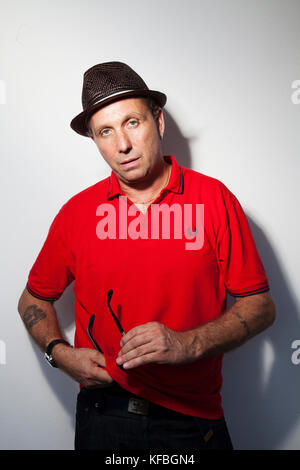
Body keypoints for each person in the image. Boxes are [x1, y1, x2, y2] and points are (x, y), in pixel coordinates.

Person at [18, 61, 276, 451]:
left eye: (132, 123)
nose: (122, 144)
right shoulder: (77, 213)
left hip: (192, 420)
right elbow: (32, 298)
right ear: (95, 140)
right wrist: (60, 354)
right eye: (105, 131)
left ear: (158, 121)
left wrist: (189, 344)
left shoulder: (214, 199)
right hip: (104, 415)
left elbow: (261, 305)